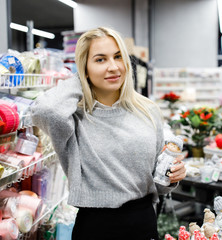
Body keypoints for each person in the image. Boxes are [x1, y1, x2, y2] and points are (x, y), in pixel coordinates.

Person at [31, 27, 186, 240]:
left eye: (118, 57)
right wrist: (81, 78)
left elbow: (158, 183)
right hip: (96, 227)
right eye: (100, 60)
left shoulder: (147, 111)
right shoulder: (73, 119)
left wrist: (171, 176)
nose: (113, 67)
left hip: (144, 222)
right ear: (85, 67)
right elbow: (43, 111)